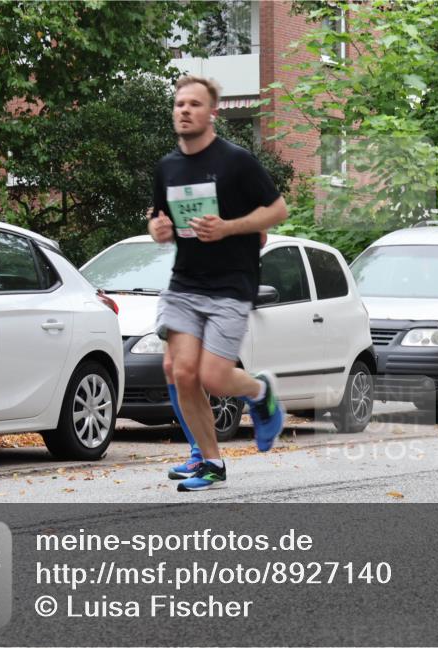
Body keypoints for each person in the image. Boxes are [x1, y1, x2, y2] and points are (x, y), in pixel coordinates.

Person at [149, 75, 288, 491]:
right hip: (185, 282)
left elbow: (277, 210)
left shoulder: (236, 161)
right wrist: (159, 229)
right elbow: (162, 218)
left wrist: (228, 227)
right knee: (179, 369)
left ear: (213, 113)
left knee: (214, 376)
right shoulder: (167, 167)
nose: (184, 110)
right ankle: (210, 461)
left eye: (194, 104)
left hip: (232, 281)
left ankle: (260, 391)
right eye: (179, 104)